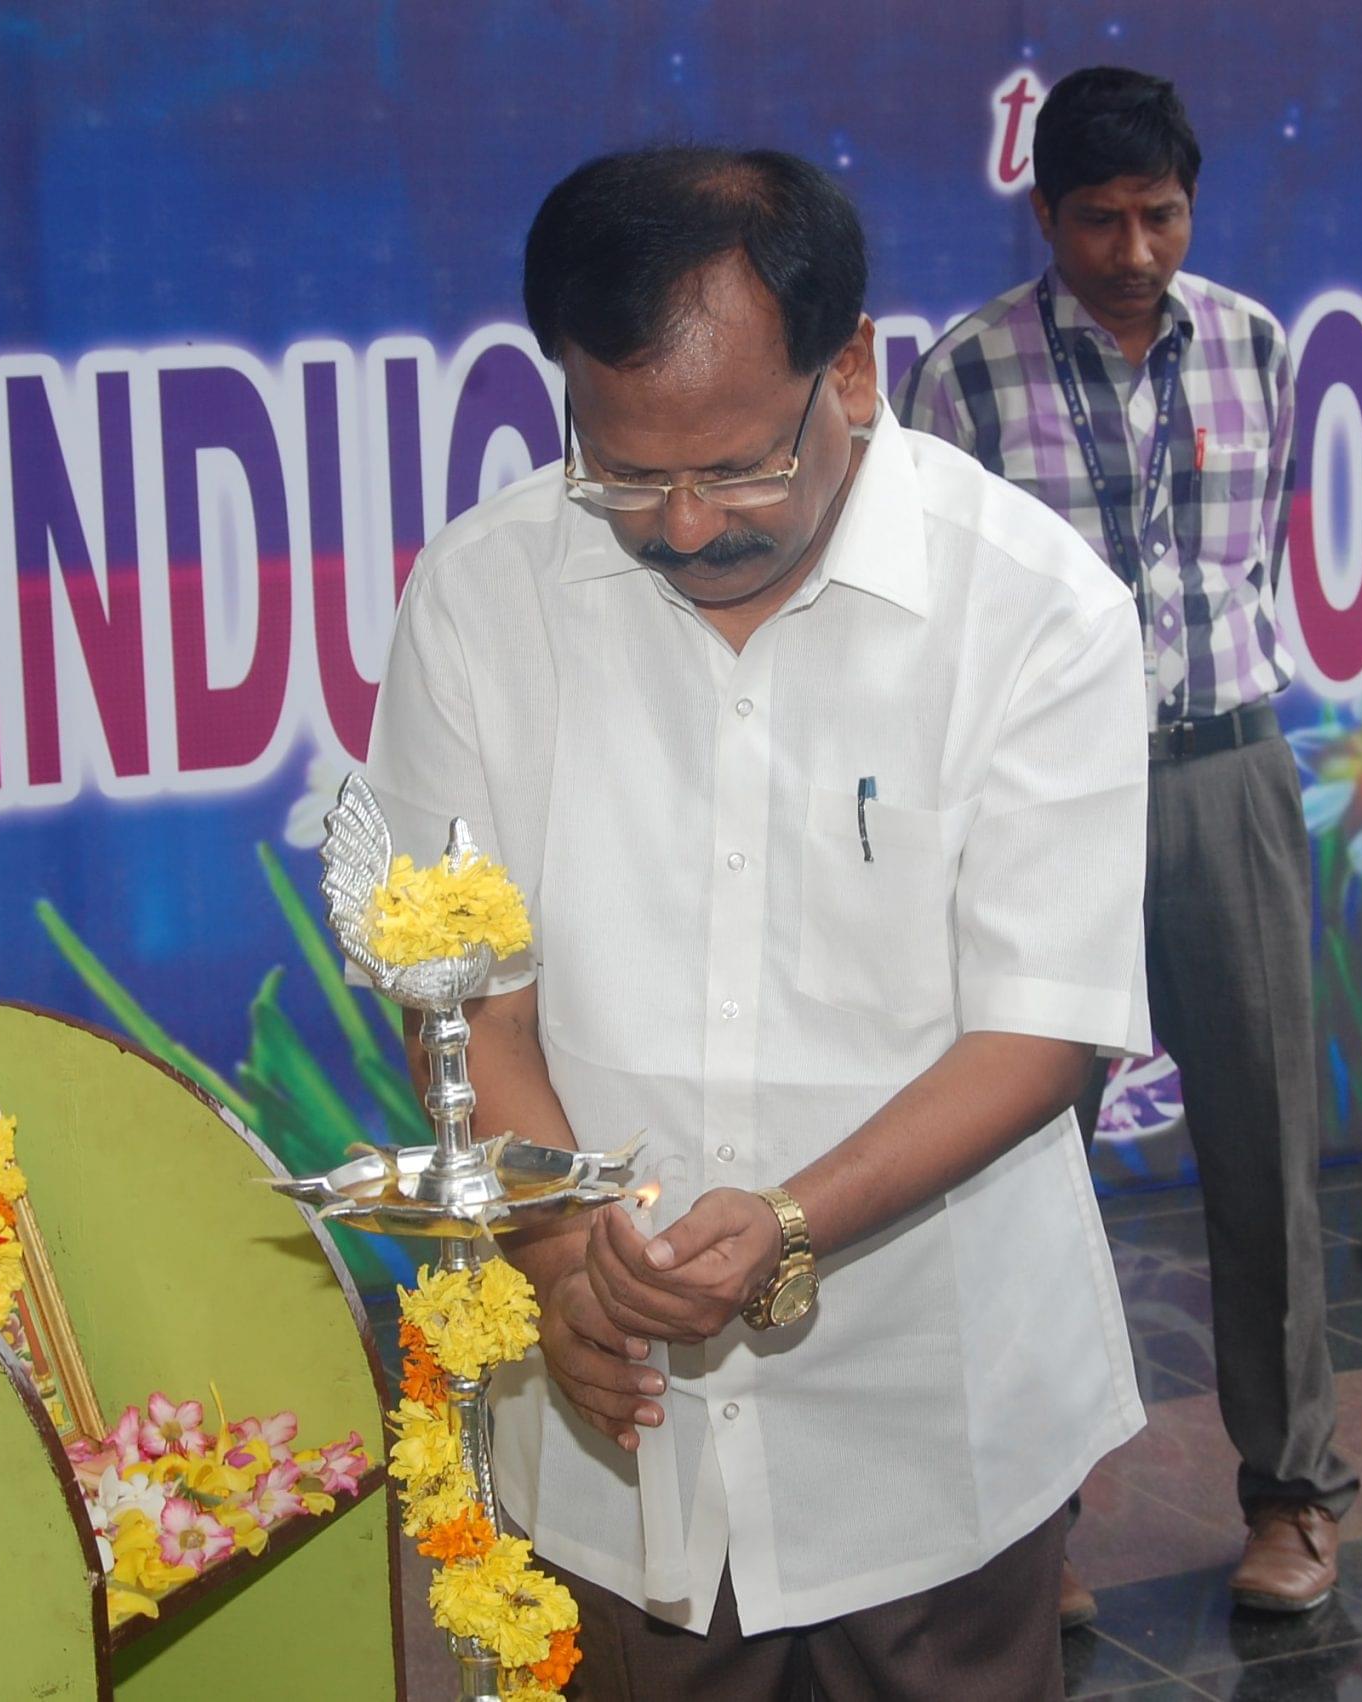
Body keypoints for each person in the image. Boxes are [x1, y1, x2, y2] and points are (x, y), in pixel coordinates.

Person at [362, 145, 1153, 1698]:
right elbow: (463, 998)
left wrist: (790, 1221)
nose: (678, 522)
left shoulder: (1033, 606)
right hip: (612, 1428)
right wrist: (563, 1247)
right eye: (623, 468)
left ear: (850, 361)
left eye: (735, 466)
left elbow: (1047, 1026)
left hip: (930, 1430)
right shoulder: (483, 595)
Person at [896, 65, 1355, 1620]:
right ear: (1046, 213)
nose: (1136, 248)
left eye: (1161, 214)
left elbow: (1256, 557)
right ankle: (1037, 1527)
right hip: (1043, 802)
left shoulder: (1257, 346)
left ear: (1192, 202)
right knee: (1022, 1169)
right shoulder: (960, 376)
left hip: (1226, 773)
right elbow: (940, 609)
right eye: (1102, 218)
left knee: (1266, 1151)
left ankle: (1295, 1492)